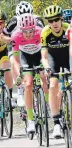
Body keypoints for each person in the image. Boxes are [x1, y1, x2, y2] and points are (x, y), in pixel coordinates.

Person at [11, 13, 48, 134]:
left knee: (44, 77)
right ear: (20, 30)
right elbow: (16, 60)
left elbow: (45, 53)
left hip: (38, 55)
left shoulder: (41, 32)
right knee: (28, 84)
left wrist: (45, 66)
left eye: (30, 31)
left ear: (35, 28)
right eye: (25, 32)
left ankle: (48, 105)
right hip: (24, 57)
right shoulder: (15, 36)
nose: (28, 34)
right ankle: (31, 119)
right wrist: (19, 73)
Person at [3, 1, 45, 107]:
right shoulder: (13, 21)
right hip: (16, 44)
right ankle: (20, 90)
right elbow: (2, 37)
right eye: (21, 16)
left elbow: (43, 35)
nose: (25, 18)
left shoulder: (38, 20)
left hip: (34, 46)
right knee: (14, 61)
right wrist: (13, 39)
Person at [41, 5, 70, 138]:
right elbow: (44, 56)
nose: (54, 23)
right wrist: (47, 67)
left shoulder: (68, 28)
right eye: (50, 21)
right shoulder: (45, 32)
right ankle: (56, 122)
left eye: (56, 20)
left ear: (61, 19)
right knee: (53, 86)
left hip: (68, 57)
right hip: (54, 60)